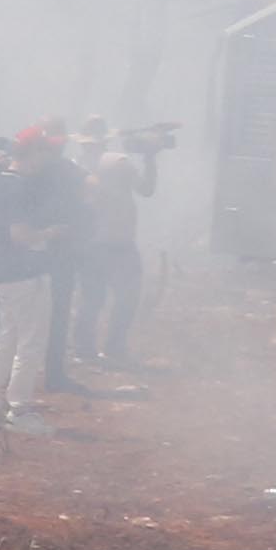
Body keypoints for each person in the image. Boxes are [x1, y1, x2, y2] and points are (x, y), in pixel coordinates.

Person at [0, 123, 80, 430]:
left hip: (4, 271)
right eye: (47, 151)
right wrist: (50, 232)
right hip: (25, 273)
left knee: (5, 337)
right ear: (34, 152)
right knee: (30, 342)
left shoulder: (1, 183)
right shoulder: (18, 186)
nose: (49, 159)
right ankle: (19, 410)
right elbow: (20, 235)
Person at [74, 120, 159, 368]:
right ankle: (114, 346)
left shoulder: (76, 164)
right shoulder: (119, 162)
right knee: (127, 296)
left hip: (89, 242)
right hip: (118, 242)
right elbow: (147, 189)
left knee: (91, 297)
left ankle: (84, 348)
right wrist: (150, 158)